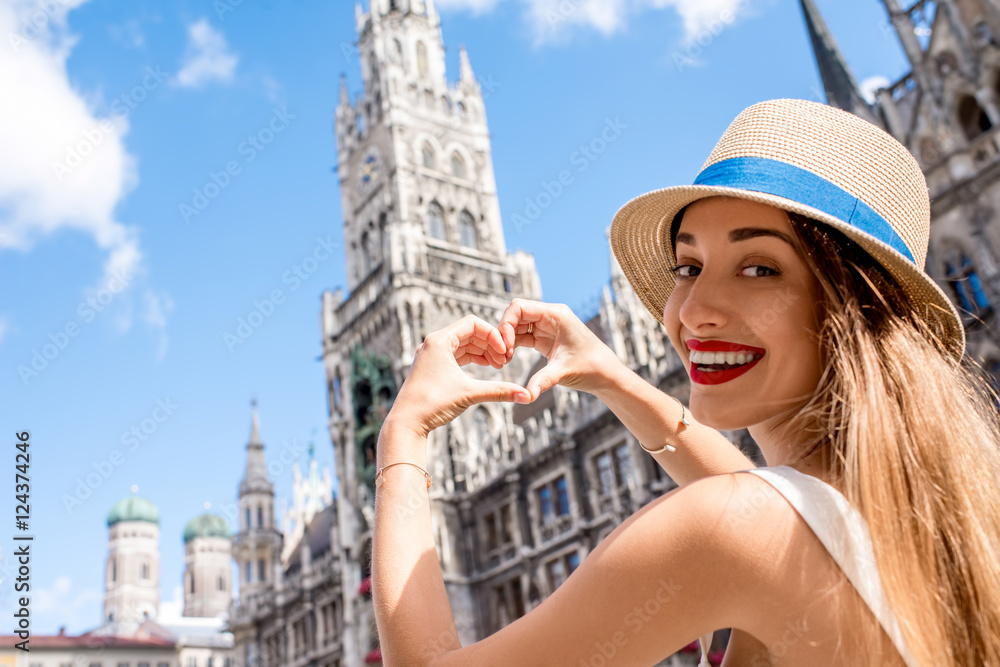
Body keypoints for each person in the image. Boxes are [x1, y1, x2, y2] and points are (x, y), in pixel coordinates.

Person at [369, 99, 1000, 666]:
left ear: (853, 305)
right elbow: (770, 503)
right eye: (688, 265)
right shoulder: (933, 510)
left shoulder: (732, 528)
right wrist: (613, 378)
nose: (694, 308)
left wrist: (403, 439)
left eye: (759, 267)